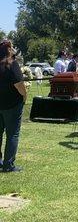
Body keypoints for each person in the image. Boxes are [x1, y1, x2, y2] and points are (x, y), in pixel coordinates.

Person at [0, 40, 27, 172]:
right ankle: (8, 165)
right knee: (12, 134)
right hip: (12, 105)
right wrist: (24, 96)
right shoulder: (11, 63)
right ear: (9, 50)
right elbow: (19, 85)